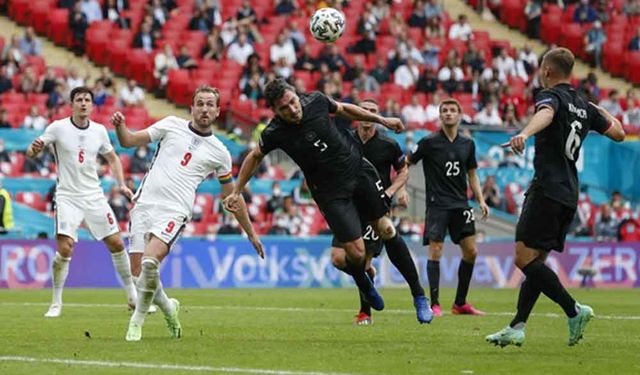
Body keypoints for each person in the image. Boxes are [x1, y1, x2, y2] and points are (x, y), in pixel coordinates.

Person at [223, 78, 432, 322]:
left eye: (292, 102)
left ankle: (419, 295)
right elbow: (255, 156)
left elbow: (344, 109)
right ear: (275, 111)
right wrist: (236, 190)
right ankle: (363, 282)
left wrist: (382, 120)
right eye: (284, 108)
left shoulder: (316, 100)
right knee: (355, 254)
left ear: (296, 94)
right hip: (330, 193)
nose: (292, 109)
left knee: (386, 228)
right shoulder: (274, 132)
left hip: (359, 172)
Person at [486, 48, 625, 347]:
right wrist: (597, 109)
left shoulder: (551, 96)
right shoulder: (585, 106)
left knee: (523, 259)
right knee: (538, 260)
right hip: (569, 192)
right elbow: (619, 134)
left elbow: (546, 114)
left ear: (547, 71)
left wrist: (524, 133)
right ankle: (517, 326)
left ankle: (573, 310)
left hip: (547, 187)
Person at [111, 86, 264, 341]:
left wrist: (250, 232)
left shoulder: (220, 152)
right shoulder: (171, 125)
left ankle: (135, 323)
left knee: (150, 263)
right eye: (200, 103)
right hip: (144, 204)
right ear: (191, 107)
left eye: (210, 105)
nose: (204, 109)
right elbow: (128, 141)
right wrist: (119, 126)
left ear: (217, 111)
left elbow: (231, 197)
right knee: (140, 277)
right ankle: (169, 307)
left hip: (175, 211)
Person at [25, 87, 137, 318]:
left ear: (92, 105)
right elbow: (32, 152)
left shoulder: (99, 131)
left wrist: (122, 183)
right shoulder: (58, 127)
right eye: (79, 100)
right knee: (65, 248)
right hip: (67, 196)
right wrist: (33, 150)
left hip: (94, 196)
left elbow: (113, 158)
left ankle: (132, 296)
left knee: (116, 243)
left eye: (87, 100)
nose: (83, 103)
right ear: (71, 104)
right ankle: (56, 302)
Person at [329, 99, 431, 325]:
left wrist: (394, 190)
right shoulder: (344, 139)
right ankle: (368, 281)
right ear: (357, 115)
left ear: (378, 115)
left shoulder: (388, 144)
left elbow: (403, 170)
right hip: (348, 205)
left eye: (373, 111)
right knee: (337, 259)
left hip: (375, 205)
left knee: (380, 238)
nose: (368, 114)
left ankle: (415, 296)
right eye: (364, 110)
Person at [408, 98, 490, 317]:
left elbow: (472, 173)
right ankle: (435, 304)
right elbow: (407, 162)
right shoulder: (428, 142)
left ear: (460, 115)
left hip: (461, 204)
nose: (448, 114)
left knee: (471, 251)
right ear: (440, 115)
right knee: (436, 250)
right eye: (444, 110)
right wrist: (401, 189)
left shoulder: (467, 144)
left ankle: (460, 303)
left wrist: (480, 200)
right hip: (437, 205)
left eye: (452, 110)